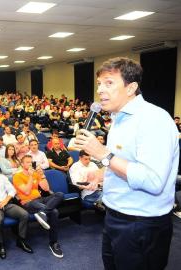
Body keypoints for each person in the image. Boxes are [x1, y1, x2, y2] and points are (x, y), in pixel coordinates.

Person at [74, 57, 179, 270]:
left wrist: (103, 155)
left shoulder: (153, 119)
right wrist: (103, 172)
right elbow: (125, 162)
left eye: (109, 83)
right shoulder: (119, 119)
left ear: (131, 87)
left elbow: (152, 181)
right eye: (99, 84)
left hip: (141, 224)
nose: (100, 90)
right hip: (114, 216)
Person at [13, 155, 64, 258]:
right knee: (54, 212)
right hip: (28, 202)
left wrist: (42, 175)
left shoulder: (36, 174)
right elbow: (26, 191)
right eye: (27, 162)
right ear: (22, 164)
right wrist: (31, 176)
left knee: (60, 194)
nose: (30, 164)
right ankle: (54, 242)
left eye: (31, 162)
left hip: (40, 199)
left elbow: (46, 188)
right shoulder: (17, 176)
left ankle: (43, 213)